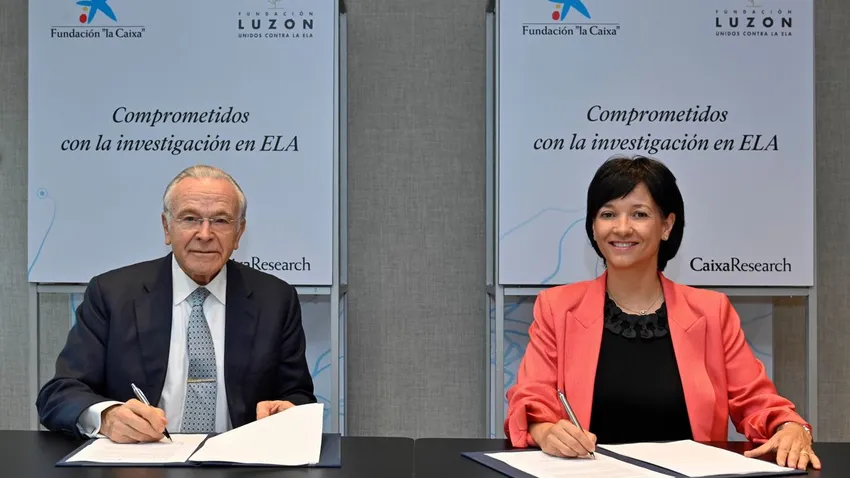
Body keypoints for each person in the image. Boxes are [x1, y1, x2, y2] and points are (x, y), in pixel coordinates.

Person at [504, 155, 820, 471]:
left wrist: (790, 427)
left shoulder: (712, 312)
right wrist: (545, 431)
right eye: (608, 214)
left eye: (639, 214)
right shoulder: (558, 308)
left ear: (666, 225)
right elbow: (531, 399)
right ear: (593, 226)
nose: (622, 228)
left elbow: (757, 403)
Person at [36, 164, 316, 443]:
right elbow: (59, 394)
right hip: (141, 457)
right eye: (190, 219)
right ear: (166, 227)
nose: (204, 234)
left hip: (238, 458)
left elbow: (298, 395)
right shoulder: (112, 294)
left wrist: (286, 411)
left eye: (220, 221)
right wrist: (108, 417)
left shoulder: (275, 300)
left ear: (239, 232)